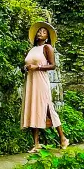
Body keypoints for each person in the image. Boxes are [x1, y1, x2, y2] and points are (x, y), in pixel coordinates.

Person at [21, 21, 69, 153]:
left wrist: (38, 67)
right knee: (33, 109)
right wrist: (25, 68)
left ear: (47, 37)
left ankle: (63, 138)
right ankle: (36, 144)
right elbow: (26, 65)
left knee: (48, 109)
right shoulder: (31, 49)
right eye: (39, 31)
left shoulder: (47, 48)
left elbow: (53, 65)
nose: (40, 33)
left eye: (44, 32)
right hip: (31, 82)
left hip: (41, 81)